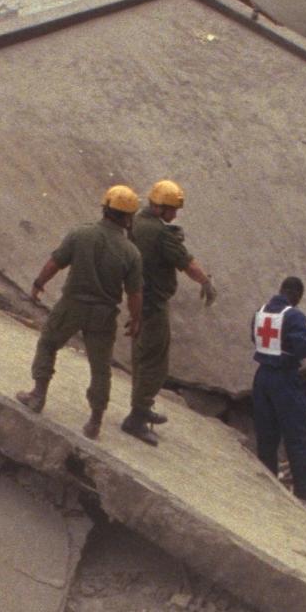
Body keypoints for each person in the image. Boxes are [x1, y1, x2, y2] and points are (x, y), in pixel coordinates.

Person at [17, 186, 143, 440]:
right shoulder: (131, 252)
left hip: (72, 305)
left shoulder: (81, 234)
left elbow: (56, 262)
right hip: (104, 314)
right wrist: (136, 318)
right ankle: (95, 421)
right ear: (129, 218)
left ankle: (38, 395)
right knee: (100, 367)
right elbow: (134, 293)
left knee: (49, 343)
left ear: (105, 208)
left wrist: (39, 283)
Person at [120, 179, 215, 442]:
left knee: (141, 357)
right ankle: (136, 417)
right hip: (154, 304)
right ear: (160, 208)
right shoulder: (163, 234)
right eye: (172, 209)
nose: (174, 215)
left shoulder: (138, 222)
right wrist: (206, 282)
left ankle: (141, 407)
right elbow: (186, 263)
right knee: (154, 362)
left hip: (138, 298)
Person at [248, 276, 306, 505]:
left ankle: (269, 484)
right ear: (297, 295)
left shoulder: (259, 313)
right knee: (298, 434)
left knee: (266, 435)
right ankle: (305, 490)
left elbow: (255, 339)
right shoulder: (294, 316)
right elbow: (303, 348)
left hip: (261, 377)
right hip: (284, 378)